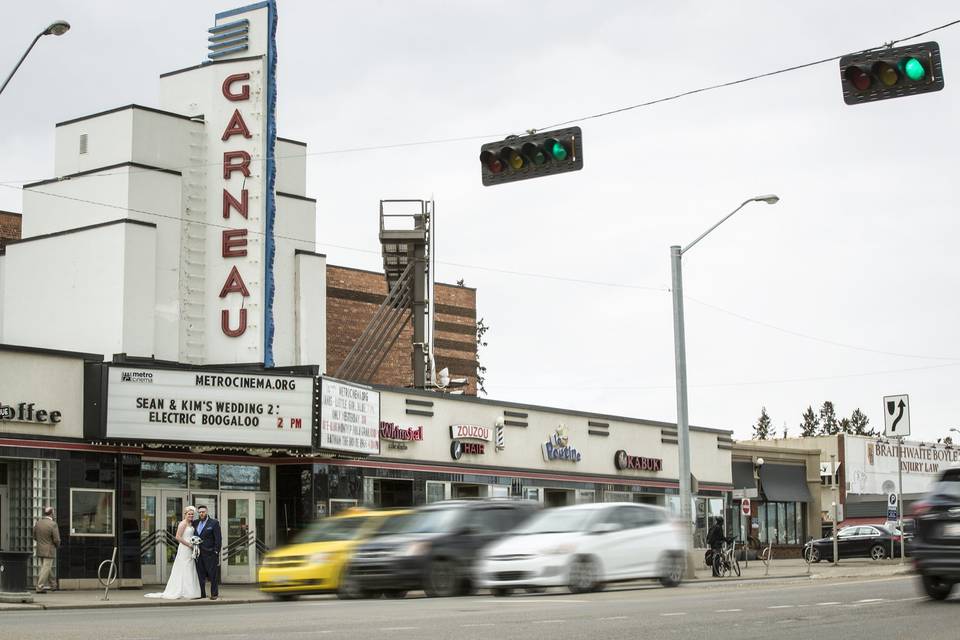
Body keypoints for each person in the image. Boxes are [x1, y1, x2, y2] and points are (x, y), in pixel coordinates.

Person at [145, 506, 201, 599]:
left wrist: (194, 544)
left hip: (190, 548)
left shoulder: (191, 524)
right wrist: (189, 545)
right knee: (184, 567)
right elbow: (178, 537)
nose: (191, 515)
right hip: (184, 548)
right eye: (189, 514)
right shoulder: (182, 524)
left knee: (190, 567)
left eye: (192, 514)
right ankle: (182, 590)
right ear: (185, 515)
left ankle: (190, 590)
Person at [194, 505, 222, 600]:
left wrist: (216, 551)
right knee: (200, 574)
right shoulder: (195, 523)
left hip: (210, 554)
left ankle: (214, 594)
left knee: (212, 574)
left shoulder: (214, 523)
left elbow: (218, 539)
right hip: (198, 554)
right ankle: (202, 594)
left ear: (207, 512)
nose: (201, 514)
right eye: (200, 512)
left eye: (203, 512)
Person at [32, 507, 60, 593]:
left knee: (46, 568)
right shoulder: (53, 524)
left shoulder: (38, 523)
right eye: (54, 513)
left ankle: (53, 585)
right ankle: (39, 587)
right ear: (52, 513)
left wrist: (41, 543)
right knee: (46, 568)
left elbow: (34, 536)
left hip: (40, 549)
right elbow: (56, 539)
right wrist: (57, 546)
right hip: (49, 550)